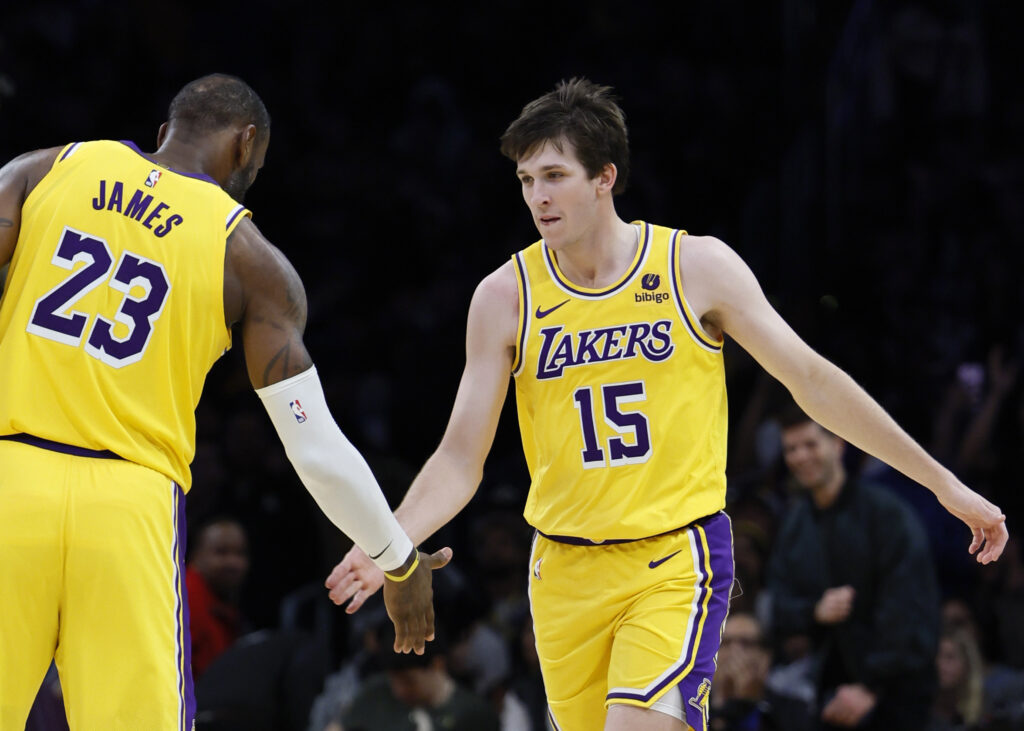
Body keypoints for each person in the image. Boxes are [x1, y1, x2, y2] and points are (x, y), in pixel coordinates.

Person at [324, 78, 1008, 731]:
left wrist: (942, 482)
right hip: (561, 569)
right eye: (526, 181)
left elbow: (812, 379)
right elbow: (458, 460)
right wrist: (390, 537)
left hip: (673, 557)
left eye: (554, 175)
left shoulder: (694, 267)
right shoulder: (504, 297)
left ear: (605, 177)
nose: (537, 196)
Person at [0, 73, 448, 730]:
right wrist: (397, 559)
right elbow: (316, 446)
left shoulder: (43, 170)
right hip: (130, 506)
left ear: (164, 133)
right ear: (244, 146)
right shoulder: (250, 257)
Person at [766, 407, 940, 729]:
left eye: (810, 444)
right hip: (826, 695)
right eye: (791, 449)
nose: (800, 456)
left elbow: (910, 605)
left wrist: (871, 686)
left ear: (838, 444)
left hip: (895, 696)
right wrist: (814, 612)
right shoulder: (794, 525)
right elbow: (779, 605)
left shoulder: (885, 515)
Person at [326, 624, 501, 731]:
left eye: (408, 681)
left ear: (437, 665)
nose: (399, 690)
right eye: (393, 679)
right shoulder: (376, 693)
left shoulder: (474, 714)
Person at [186, 517, 251, 679]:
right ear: (197, 556)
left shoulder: (221, 598)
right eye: (221, 552)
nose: (232, 562)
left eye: (240, 553)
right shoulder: (183, 599)